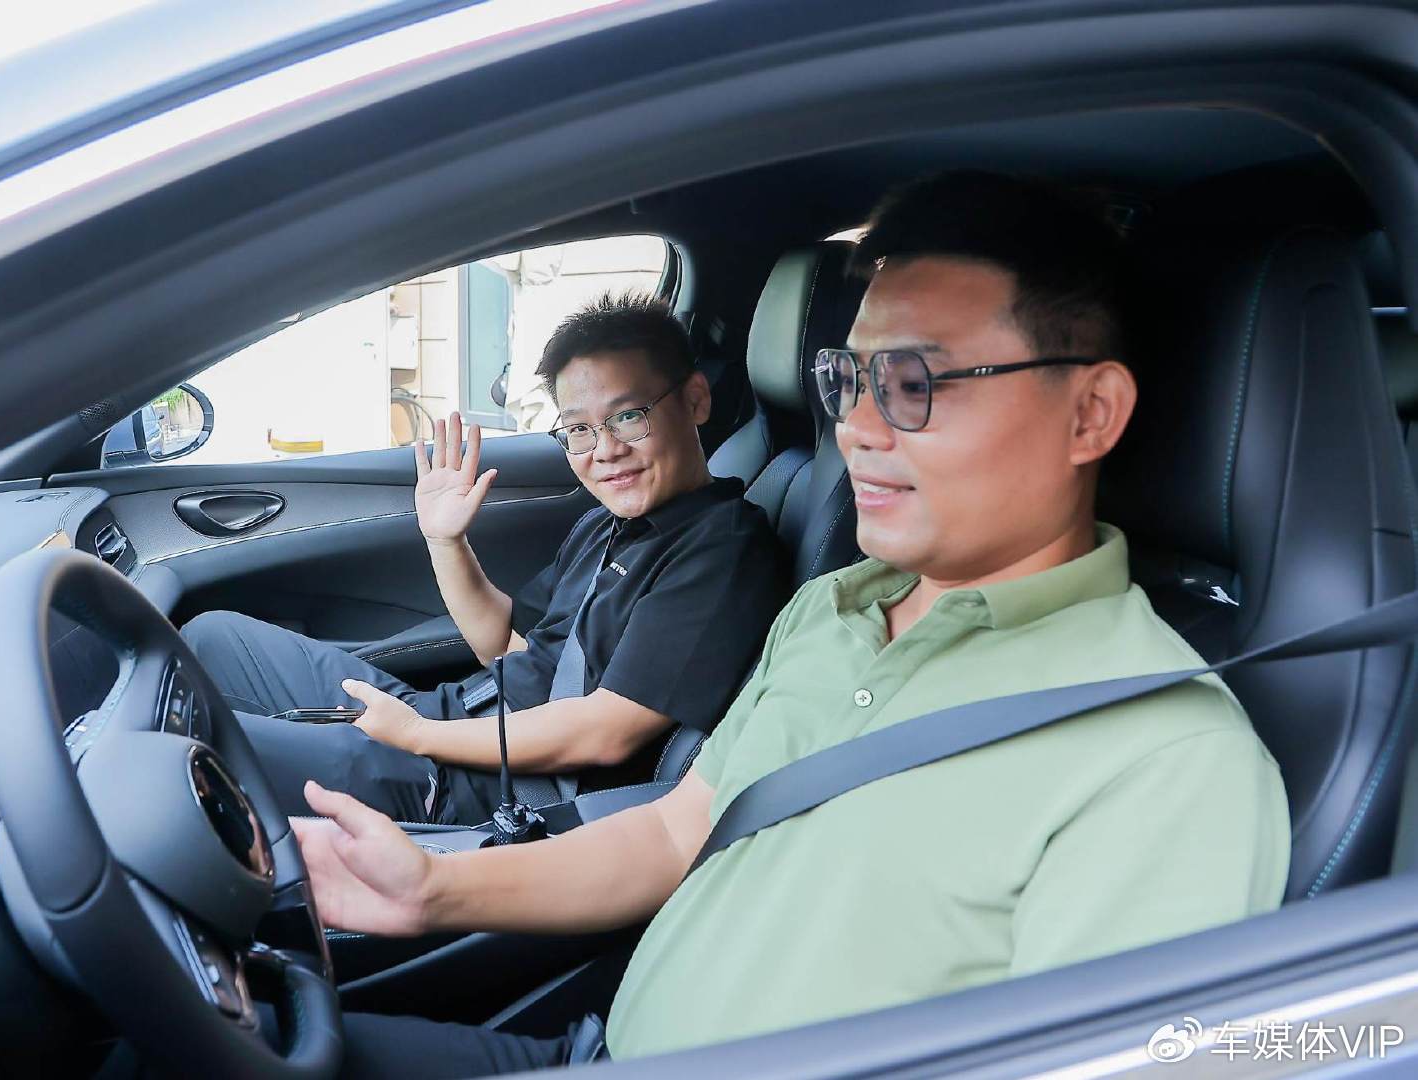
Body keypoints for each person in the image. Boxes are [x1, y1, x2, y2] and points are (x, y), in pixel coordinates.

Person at [289, 171, 1292, 1074]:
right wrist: (429, 888)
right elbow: (676, 830)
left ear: (1090, 415)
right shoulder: (831, 608)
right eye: (849, 380)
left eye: (915, 383)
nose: (855, 427)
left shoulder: (1164, 757)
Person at [181, 293, 786, 825]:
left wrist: (418, 737)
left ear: (695, 400)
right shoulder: (604, 527)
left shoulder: (722, 549)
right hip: (455, 721)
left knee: (184, 748)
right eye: (579, 429)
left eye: (628, 416)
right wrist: (446, 541)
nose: (604, 449)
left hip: (474, 788)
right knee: (211, 638)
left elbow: (606, 732)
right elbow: (505, 646)